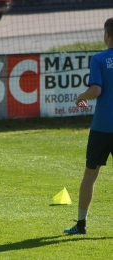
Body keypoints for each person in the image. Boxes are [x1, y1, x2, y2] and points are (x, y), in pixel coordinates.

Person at [64, 17, 113, 234]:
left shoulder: (99, 59)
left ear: (107, 35)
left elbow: (95, 91)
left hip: (103, 127)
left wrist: (80, 97)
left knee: (90, 175)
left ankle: (81, 224)